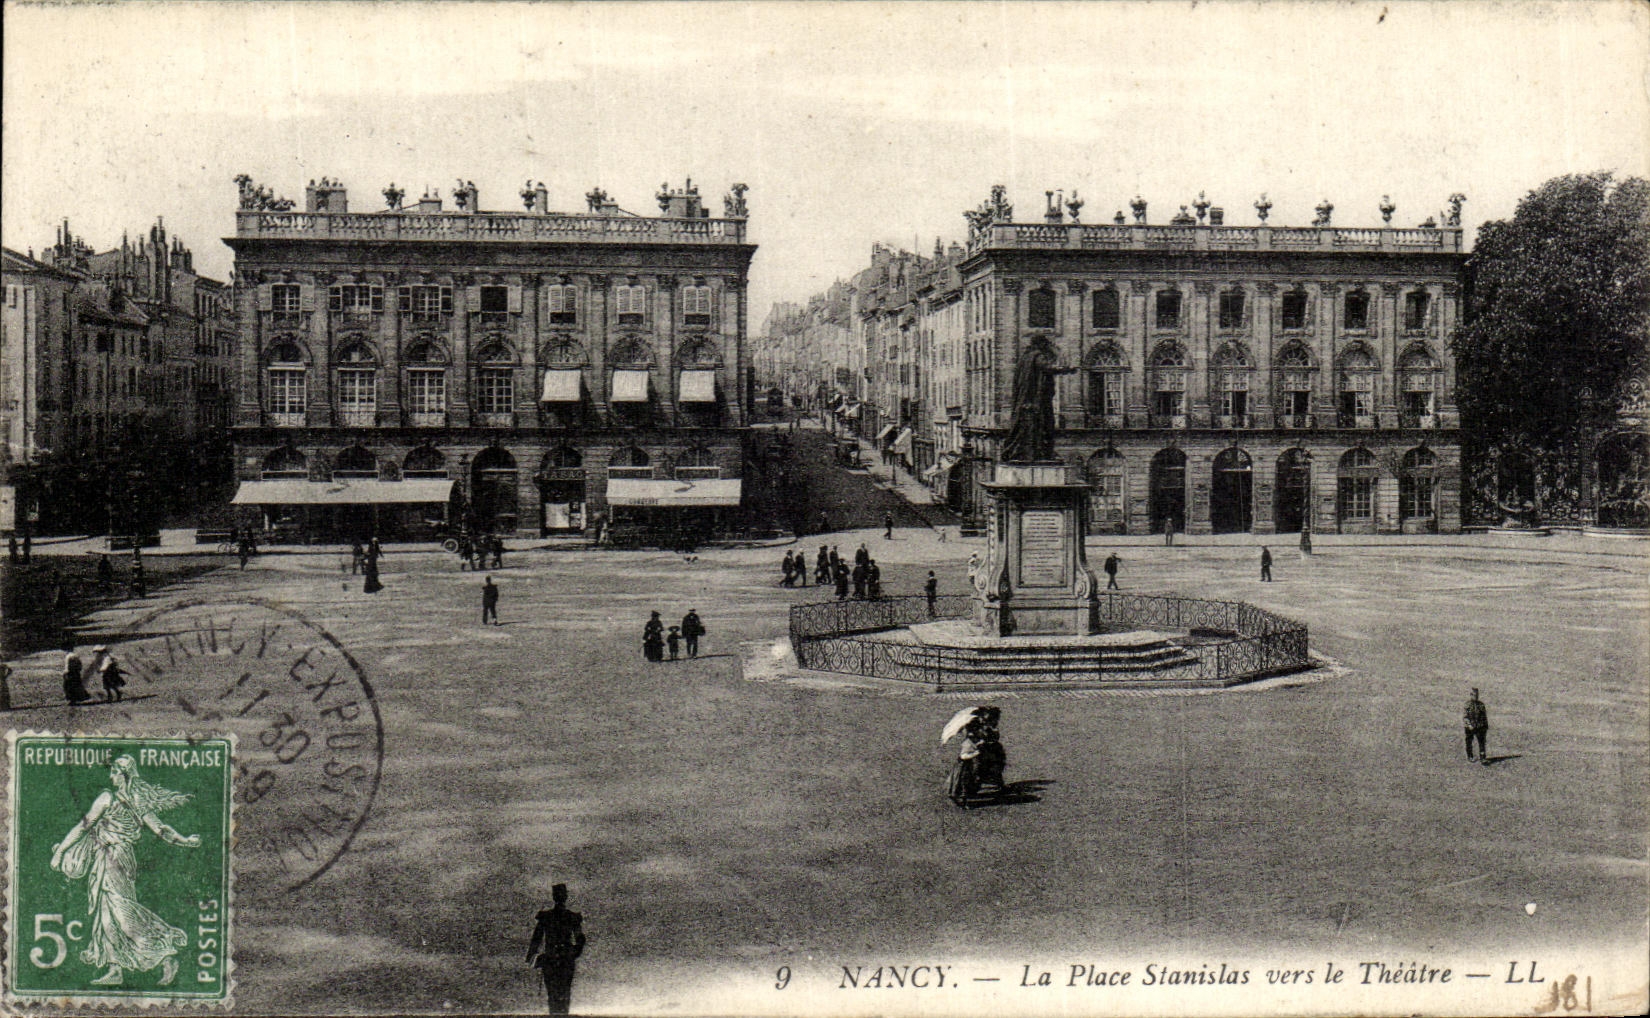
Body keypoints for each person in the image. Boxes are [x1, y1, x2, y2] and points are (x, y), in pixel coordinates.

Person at [50, 755, 199, 987]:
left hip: (113, 859)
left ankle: (165, 953)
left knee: (121, 913)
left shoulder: (108, 798)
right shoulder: (137, 801)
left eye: (114, 772)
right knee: (106, 915)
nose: (110, 777)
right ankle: (115, 969)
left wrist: (60, 853)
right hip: (116, 858)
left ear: (124, 774)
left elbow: (84, 825)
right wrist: (185, 840)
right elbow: (162, 831)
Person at [526, 883, 586, 1015]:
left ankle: (558, 1014)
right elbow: (580, 939)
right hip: (560, 958)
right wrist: (573, 952)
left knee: (556, 992)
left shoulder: (549, 917)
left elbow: (536, 939)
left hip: (555, 958)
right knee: (561, 991)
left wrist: (533, 956)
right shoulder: (564, 917)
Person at [1464, 688, 1490, 765]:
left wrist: (1485, 726)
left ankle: (1483, 757)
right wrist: (1469, 725)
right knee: (1469, 741)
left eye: (1477, 695)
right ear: (1471, 695)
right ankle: (1470, 756)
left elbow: (1484, 716)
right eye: (1474, 695)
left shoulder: (1481, 705)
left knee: (1482, 742)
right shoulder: (1467, 705)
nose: (1476, 697)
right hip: (1470, 727)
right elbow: (1465, 717)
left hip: (1480, 726)